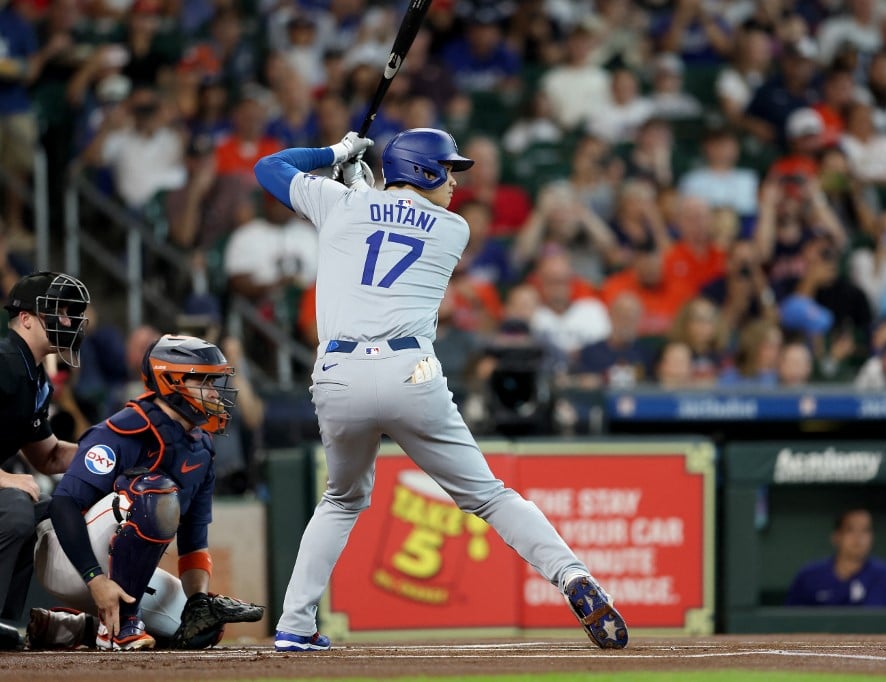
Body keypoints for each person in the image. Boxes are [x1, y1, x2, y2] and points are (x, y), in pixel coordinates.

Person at [254, 127, 628, 651]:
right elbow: (387, 220)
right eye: (447, 170)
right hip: (412, 373)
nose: (454, 181)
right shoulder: (453, 229)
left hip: (338, 375)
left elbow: (269, 168)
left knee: (341, 500)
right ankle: (571, 576)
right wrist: (361, 184)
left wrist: (337, 155)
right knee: (490, 496)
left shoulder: (340, 203)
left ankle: (294, 624)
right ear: (423, 172)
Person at [30, 335, 263, 650]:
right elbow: (64, 505)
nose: (214, 391)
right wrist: (95, 580)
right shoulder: (122, 431)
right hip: (68, 558)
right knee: (155, 492)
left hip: (119, 571)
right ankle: (121, 626)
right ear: (172, 381)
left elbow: (194, 540)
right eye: (205, 380)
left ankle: (70, 628)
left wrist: (197, 601)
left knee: (200, 629)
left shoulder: (201, 448)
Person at [0, 271, 90, 649]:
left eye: (71, 314)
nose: (68, 322)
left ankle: (5, 620)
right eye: (59, 312)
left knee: (53, 511)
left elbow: (48, 456)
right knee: (17, 507)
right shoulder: (3, 361)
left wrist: (108, 452)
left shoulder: (34, 375)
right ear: (25, 318)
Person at [785, 509, 886, 607]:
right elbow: (791, 620)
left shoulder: (880, 573)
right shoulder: (809, 575)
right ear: (836, 537)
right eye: (850, 530)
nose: (859, 537)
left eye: (865, 530)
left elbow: (871, 620)